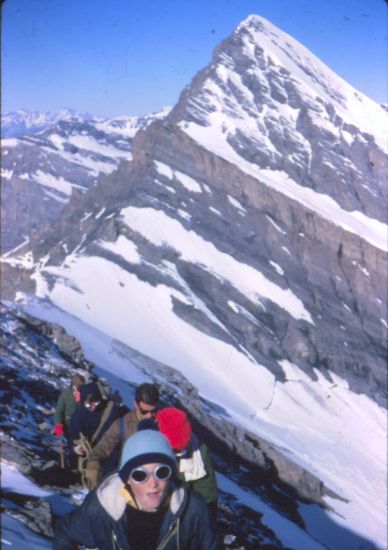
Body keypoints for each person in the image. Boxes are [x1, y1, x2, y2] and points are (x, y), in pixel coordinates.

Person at [53, 429, 217, 549]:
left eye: (161, 472)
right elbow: (65, 535)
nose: (152, 483)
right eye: (140, 475)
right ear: (127, 479)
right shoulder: (103, 507)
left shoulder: (192, 509)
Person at [84, 383, 159, 489]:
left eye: (154, 411)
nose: (150, 416)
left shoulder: (164, 422)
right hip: (131, 481)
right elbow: (103, 447)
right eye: (144, 411)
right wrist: (93, 463)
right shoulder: (122, 425)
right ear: (135, 404)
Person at [156, 407, 219, 526]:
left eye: (182, 450)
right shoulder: (142, 444)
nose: (179, 455)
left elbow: (207, 494)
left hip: (177, 513)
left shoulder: (198, 453)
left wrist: (206, 527)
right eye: (174, 450)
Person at [69, 382, 123, 483]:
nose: (92, 406)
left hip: (114, 458)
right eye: (88, 403)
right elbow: (74, 435)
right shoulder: (78, 415)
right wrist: (75, 448)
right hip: (93, 460)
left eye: (95, 402)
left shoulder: (113, 410)